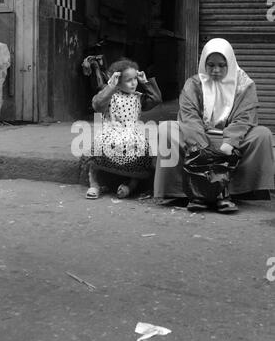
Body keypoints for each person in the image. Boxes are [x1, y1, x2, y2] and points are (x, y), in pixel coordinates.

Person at [154, 38, 274, 213]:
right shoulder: (194, 84)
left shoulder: (245, 85)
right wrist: (200, 145)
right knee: (166, 130)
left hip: (230, 141)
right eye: (210, 65)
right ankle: (190, 192)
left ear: (230, 64)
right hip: (199, 141)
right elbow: (189, 116)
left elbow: (245, 116)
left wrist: (229, 142)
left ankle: (230, 191)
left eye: (221, 65)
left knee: (262, 134)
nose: (216, 70)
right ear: (204, 63)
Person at [87, 58, 162, 200]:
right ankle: (94, 183)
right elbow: (97, 105)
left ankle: (130, 185)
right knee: (97, 146)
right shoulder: (110, 96)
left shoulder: (138, 98)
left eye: (135, 79)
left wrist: (145, 82)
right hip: (111, 134)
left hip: (131, 136)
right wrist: (111, 87)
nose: (134, 83)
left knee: (142, 153)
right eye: (129, 80)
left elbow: (156, 99)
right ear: (118, 81)